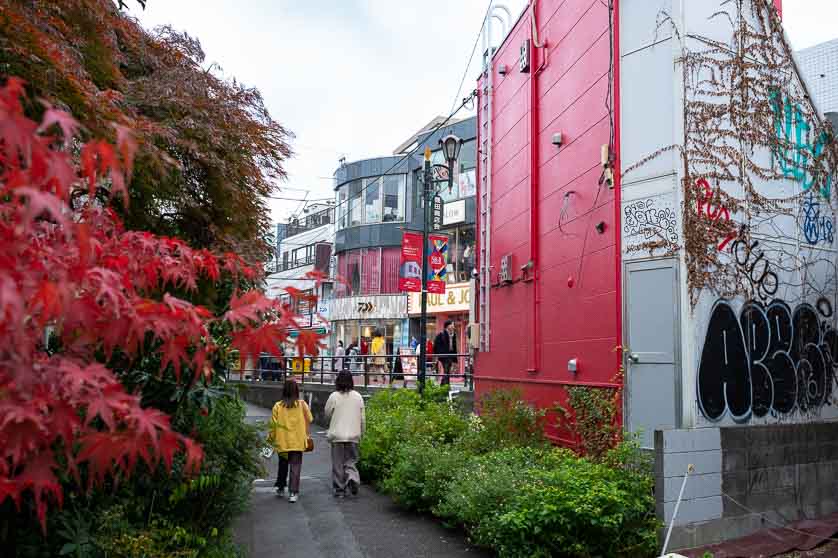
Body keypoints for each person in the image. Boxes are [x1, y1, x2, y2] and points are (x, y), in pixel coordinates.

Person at [324, 371, 365, 498]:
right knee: (351, 461)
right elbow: (363, 418)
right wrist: (362, 433)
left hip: (337, 435)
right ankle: (352, 478)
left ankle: (340, 489)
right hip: (353, 435)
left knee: (338, 463)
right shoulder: (358, 396)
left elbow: (327, 414)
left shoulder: (334, 396)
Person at [271, 379, 312, 503]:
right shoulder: (302, 405)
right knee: (295, 466)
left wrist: (271, 439)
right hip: (298, 441)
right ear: (296, 391)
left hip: (282, 441)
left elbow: (273, 425)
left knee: (282, 465)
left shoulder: (278, 406)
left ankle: (280, 487)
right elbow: (309, 419)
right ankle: (293, 492)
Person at [432, 320, 458, 386]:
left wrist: (455, 360)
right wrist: (438, 355)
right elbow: (435, 345)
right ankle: (446, 386)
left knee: (447, 371)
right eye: (452, 324)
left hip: (450, 355)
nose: (453, 326)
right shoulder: (441, 334)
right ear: (448, 326)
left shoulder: (453, 334)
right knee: (446, 370)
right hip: (444, 356)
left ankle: (443, 385)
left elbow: (454, 347)